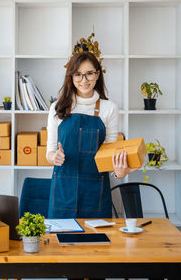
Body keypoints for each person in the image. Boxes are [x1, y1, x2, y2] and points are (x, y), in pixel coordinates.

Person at [46, 52, 137, 218]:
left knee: (96, 242)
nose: (84, 80)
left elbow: (110, 159)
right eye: (78, 74)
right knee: (59, 242)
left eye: (89, 73)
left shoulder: (109, 108)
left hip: (95, 193)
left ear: (97, 74)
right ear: (71, 76)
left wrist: (119, 173)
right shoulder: (57, 107)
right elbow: (50, 152)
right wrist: (55, 157)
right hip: (63, 192)